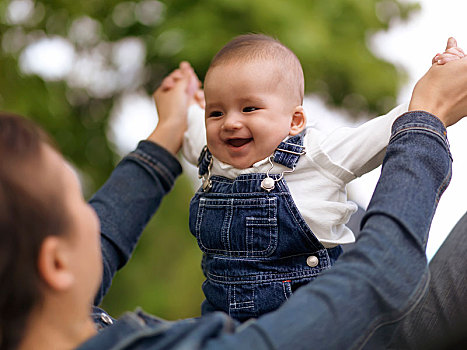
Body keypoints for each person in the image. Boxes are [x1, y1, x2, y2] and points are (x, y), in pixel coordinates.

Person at [2, 52, 467, 349]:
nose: (95, 216)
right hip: (356, 324)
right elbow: (381, 276)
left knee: (324, 194)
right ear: (56, 262)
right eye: (77, 202)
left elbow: (103, 234)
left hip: (327, 273)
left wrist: (169, 130)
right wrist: (426, 117)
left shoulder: (46, 327)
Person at [179, 34, 465, 320]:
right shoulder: (211, 157)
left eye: (249, 108)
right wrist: (186, 99)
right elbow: (190, 125)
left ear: (295, 121)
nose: (230, 122)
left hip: (312, 322)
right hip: (221, 326)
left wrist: (437, 87)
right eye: (216, 112)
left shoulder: (317, 155)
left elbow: (385, 129)